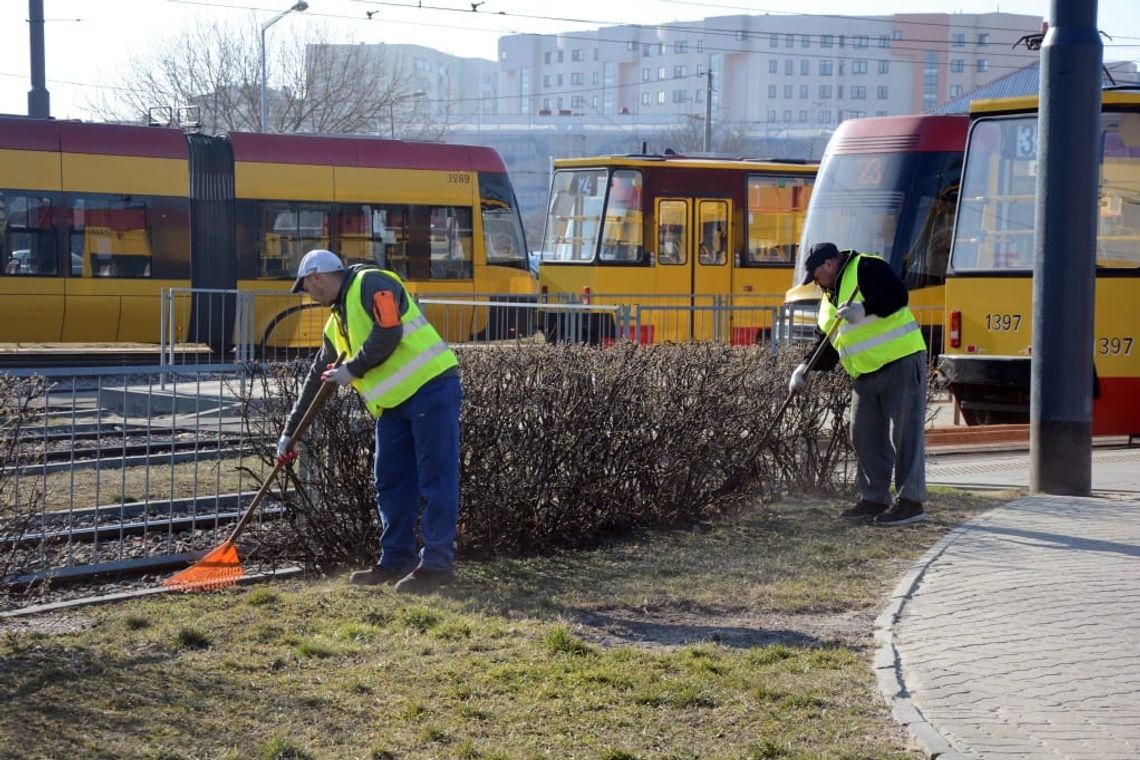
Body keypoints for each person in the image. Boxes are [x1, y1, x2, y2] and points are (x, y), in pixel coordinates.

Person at [276, 248, 463, 594]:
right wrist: (291, 433)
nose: (307, 294)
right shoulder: (336, 324)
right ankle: (396, 559)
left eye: (306, 286)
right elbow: (318, 379)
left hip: (430, 388)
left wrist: (354, 369)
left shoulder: (371, 282)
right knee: (390, 483)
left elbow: (389, 330)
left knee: (436, 480)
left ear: (317, 277)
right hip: (392, 406)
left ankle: (436, 566)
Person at [789, 242, 928, 526]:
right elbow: (826, 343)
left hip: (900, 360)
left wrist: (863, 309)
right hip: (865, 373)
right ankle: (873, 499)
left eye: (816, 275)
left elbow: (896, 295)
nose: (815, 282)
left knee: (905, 433)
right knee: (864, 435)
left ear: (829, 264)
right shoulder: (828, 299)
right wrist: (804, 368)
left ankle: (911, 502)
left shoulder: (866, 266)